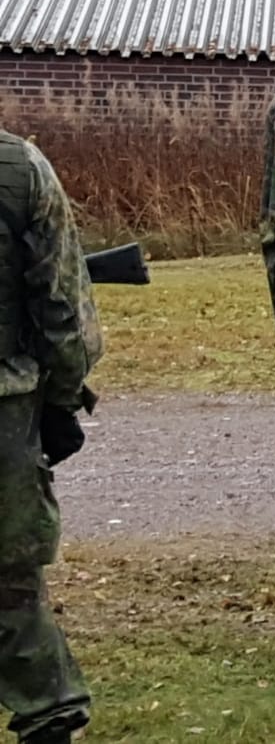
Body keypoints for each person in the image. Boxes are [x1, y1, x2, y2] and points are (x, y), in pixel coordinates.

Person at [0, 129, 102, 743]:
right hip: (6, 405)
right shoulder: (18, 166)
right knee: (9, 576)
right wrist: (63, 399)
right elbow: (62, 301)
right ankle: (47, 713)